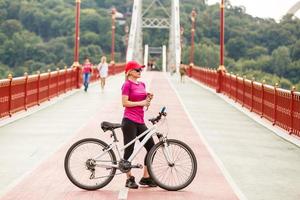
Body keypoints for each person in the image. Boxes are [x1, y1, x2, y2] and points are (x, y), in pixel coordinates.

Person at [121, 60, 156, 189]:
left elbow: (143, 101)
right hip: (129, 121)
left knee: (152, 148)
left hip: (140, 121)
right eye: (137, 70)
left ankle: (146, 177)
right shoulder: (126, 85)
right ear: (130, 72)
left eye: (140, 70)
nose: (140, 71)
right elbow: (125, 103)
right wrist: (140, 103)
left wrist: (148, 99)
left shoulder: (142, 84)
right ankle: (129, 179)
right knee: (129, 151)